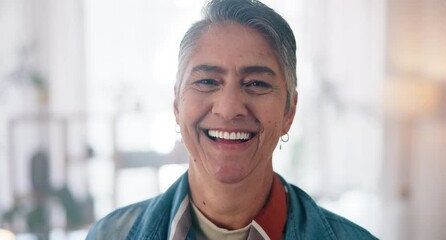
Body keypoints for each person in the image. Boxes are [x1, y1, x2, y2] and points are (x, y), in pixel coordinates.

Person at [86, 0, 378, 239]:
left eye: (256, 84)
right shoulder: (109, 235)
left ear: (289, 110)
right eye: (207, 81)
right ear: (176, 104)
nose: (228, 109)